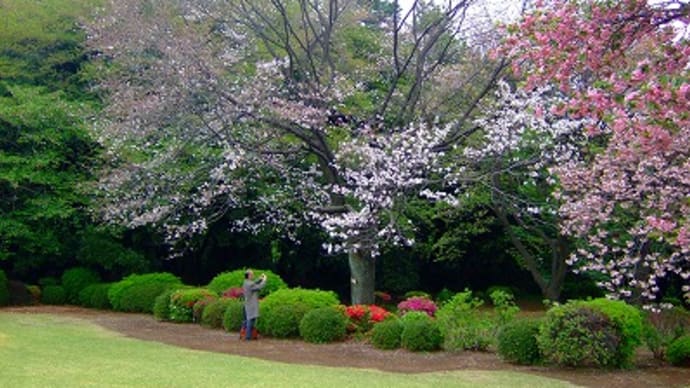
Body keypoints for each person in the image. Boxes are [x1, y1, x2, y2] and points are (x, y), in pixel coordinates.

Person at [241, 269, 266, 340]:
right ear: (249, 275)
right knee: (251, 320)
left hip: (247, 304)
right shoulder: (249, 284)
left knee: (246, 321)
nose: (253, 275)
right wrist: (264, 280)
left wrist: (260, 279)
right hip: (251, 305)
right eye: (252, 274)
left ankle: (242, 334)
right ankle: (248, 337)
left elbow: (254, 283)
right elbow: (259, 287)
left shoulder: (246, 282)